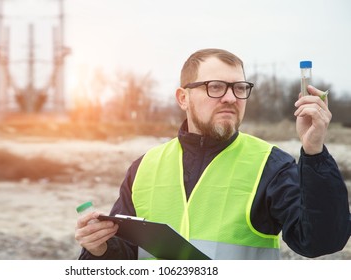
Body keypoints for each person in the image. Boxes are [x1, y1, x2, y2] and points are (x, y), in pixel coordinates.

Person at [75, 48, 351, 259]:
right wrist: (98, 248)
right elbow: (124, 256)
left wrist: (313, 151)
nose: (231, 98)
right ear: (183, 98)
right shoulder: (144, 167)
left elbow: (322, 241)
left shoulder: (271, 165)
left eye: (240, 88)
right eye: (215, 87)